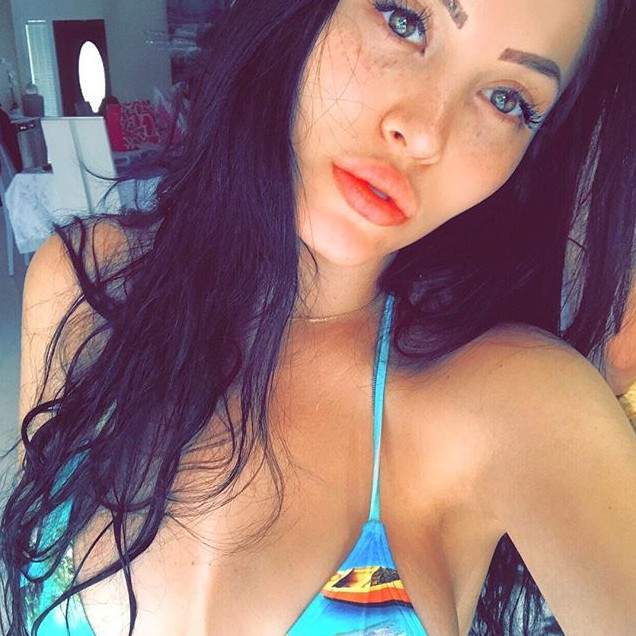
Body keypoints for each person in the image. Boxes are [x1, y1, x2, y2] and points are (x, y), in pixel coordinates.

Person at [1, 1, 635, 635]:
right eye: (404, 20)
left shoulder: (516, 405)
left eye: (506, 100)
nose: (424, 134)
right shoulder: (85, 289)